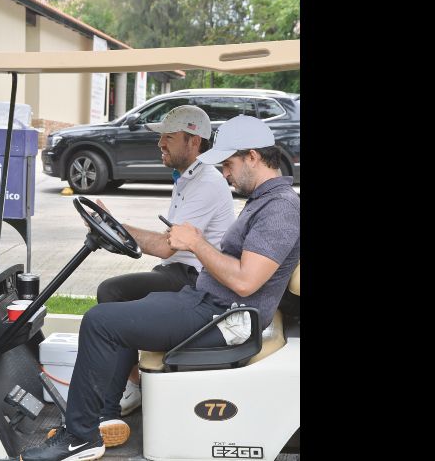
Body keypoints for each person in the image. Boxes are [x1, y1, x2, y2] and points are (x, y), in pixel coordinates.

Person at [21, 115, 300, 461]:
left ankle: (80, 437)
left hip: (224, 318)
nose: (225, 173)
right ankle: (105, 413)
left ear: (254, 157)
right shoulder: (264, 201)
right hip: (208, 302)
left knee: (100, 322)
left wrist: (197, 243)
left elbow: (245, 281)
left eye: (228, 164)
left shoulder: (281, 208)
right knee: (124, 304)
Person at [95, 104, 235, 422]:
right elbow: (167, 241)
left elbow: (165, 247)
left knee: (112, 293)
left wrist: (115, 224)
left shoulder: (207, 182)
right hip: (178, 271)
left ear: (194, 141)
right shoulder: (187, 179)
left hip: (195, 279)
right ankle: (131, 385)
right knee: (118, 293)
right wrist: (116, 230)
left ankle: (114, 403)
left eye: (169, 138)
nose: (161, 144)